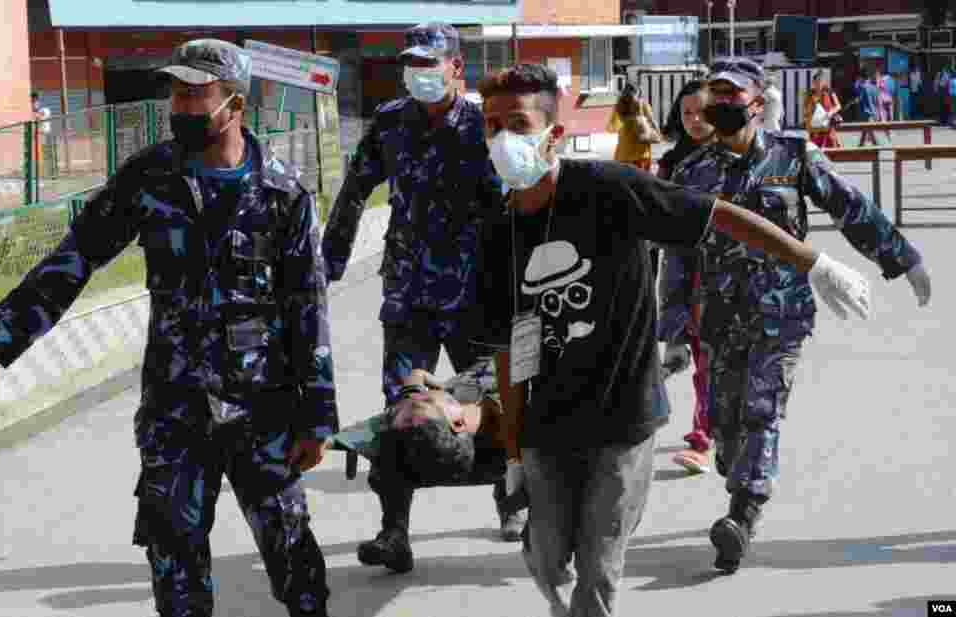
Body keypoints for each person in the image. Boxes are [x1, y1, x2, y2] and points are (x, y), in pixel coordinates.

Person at [474, 62, 876, 617]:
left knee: (598, 570)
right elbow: (507, 347)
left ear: (553, 134)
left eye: (517, 123)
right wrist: (513, 447)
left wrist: (814, 263)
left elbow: (719, 216)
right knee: (547, 559)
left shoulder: (610, 191)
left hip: (622, 417)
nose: (502, 139)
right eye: (491, 125)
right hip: (546, 426)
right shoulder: (497, 231)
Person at [0, 39, 339, 617]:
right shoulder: (149, 177)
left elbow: (308, 307)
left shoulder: (284, 193)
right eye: (176, 93)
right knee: (175, 560)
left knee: (293, 556)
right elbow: (78, 256)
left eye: (197, 95)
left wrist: (316, 416)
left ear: (234, 104)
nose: (181, 107)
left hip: (264, 407)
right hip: (176, 405)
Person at [664, 58, 931, 576]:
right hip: (718, 317)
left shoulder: (793, 156)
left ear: (757, 103)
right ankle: (737, 475)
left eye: (731, 94)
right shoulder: (692, 171)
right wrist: (673, 330)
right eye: (714, 93)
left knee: (762, 412)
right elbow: (675, 253)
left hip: (779, 315)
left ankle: (741, 516)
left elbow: (853, 207)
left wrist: (904, 258)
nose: (721, 103)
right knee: (725, 427)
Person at [321, 22, 524, 572]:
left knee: (497, 403)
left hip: (478, 295)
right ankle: (393, 531)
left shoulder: (488, 124)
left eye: (430, 64)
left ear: (457, 67)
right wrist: (330, 262)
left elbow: (523, 195)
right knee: (402, 410)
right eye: (411, 64)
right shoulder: (390, 124)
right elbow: (355, 189)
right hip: (409, 293)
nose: (419, 74)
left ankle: (512, 501)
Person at [325, 358, 528, 571]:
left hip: (480, 450)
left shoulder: (469, 410)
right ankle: (395, 538)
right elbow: (414, 388)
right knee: (391, 444)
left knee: (393, 440)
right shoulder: (429, 406)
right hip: (459, 439)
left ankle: (395, 535)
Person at [655, 79, 717, 474]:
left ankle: (712, 431)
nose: (693, 120)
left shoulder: (738, 159)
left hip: (734, 279)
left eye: (702, 112)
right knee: (704, 363)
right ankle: (703, 436)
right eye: (686, 113)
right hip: (685, 278)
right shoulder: (672, 164)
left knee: (718, 367)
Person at [606, 82, 662, 172]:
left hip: (623, 152)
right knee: (641, 182)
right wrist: (658, 134)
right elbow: (652, 121)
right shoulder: (643, 105)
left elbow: (611, 128)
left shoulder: (619, 106)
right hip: (641, 152)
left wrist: (627, 120)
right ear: (638, 92)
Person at [803, 71, 843, 149]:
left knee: (831, 149)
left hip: (827, 127)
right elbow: (805, 110)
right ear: (813, 82)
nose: (819, 84)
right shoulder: (809, 94)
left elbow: (838, 106)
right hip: (814, 129)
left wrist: (831, 112)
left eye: (820, 81)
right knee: (815, 151)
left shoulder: (830, 92)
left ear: (824, 82)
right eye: (817, 81)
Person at [856, 68, 880, 147]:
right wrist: (877, 113)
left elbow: (862, 99)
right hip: (873, 112)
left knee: (870, 132)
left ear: (861, 77)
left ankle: (876, 147)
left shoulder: (863, 87)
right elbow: (877, 101)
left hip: (867, 113)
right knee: (865, 131)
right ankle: (861, 146)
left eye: (859, 78)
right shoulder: (874, 87)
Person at [31, 92, 51, 176]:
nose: (33, 104)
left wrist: (35, 113)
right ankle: (40, 171)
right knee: (38, 154)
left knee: (44, 153)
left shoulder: (44, 110)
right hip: (38, 134)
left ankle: (46, 171)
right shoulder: (38, 110)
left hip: (43, 134)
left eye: (34, 102)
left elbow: (39, 117)